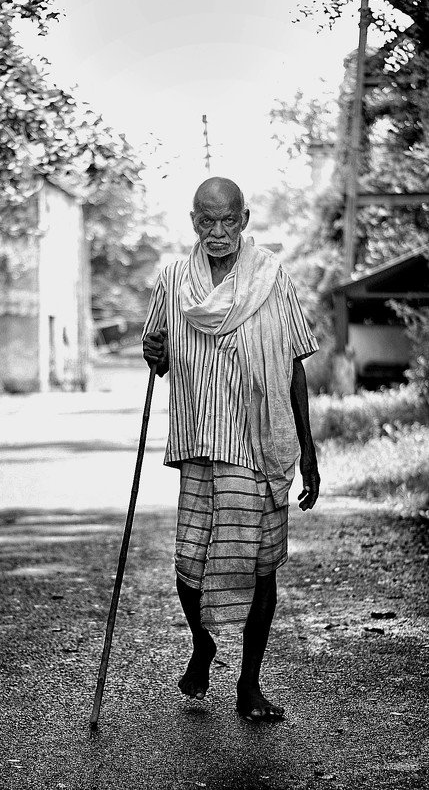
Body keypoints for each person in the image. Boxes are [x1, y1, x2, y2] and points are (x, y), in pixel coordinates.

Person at [142, 176, 320, 721]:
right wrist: (154, 354)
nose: (216, 231)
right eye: (206, 220)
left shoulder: (272, 277)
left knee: (261, 566)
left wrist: (308, 453)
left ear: (244, 219)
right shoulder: (173, 281)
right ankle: (203, 645)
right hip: (198, 440)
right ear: (193, 221)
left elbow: (293, 364)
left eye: (227, 220)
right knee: (190, 560)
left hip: (258, 442)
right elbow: (158, 354)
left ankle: (249, 685)